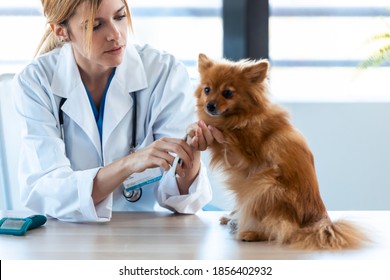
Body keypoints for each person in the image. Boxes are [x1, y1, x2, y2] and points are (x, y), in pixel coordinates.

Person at [13, 0, 223, 222]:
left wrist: (191, 154)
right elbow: (48, 190)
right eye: (96, 25)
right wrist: (129, 164)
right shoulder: (35, 81)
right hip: (66, 235)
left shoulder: (163, 71)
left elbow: (180, 198)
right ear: (61, 31)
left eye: (120, 17)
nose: (115, 34)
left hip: (143, 234)